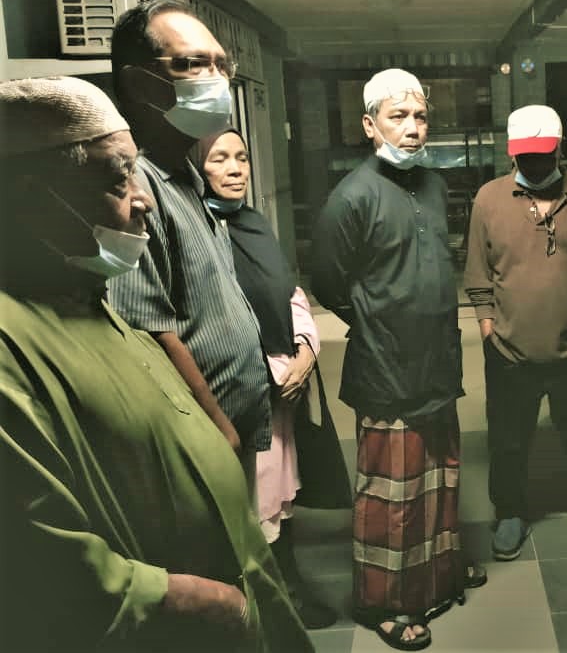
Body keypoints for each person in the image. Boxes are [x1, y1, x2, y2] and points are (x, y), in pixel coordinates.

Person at [0, 75, 312, 653]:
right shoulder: (12, 341)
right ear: (32, 194)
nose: (141, 198)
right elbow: (39, 561)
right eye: (116, 177)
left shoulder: (87, 297)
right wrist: (206, 602)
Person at [311, 68, 485, 651]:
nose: (413, 128)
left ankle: (438, 575)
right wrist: (378, 322)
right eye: (398, 117)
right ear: (370, 125)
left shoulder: (432, 185)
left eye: (420, 117)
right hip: (386, 367)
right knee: (392, 496)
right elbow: (328, 281)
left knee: (439, 477)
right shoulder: (352, 196)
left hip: (437, 360)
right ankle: (381, 602)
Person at [192, 128, 352, 629]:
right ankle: (263, 605)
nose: (235, 168)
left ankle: (286, 589)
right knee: (250, 497)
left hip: (283, 387)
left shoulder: (254, 224)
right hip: (235, 390)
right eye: (220, 159)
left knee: (278, 493)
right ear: (197, 168)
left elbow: (289, 292)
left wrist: (305, 350)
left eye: (241, 157)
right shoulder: (196, 232)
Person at [107, 0, 271, 477]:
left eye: (221, 65)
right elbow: (147, 333)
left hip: (227, 432)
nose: (216, 80)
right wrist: (219, 430)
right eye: (193, 64)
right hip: (198, 441)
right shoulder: (134, 187)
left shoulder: (188, 179)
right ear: (139, 82)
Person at [463, 104, 567, 566]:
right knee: (508, 440)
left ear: (560, 148)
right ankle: (510, 512)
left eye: (543, 153)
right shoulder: (489, 198)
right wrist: (488, 325)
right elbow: (478, 270)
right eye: (525, 155)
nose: (533, 163)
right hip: (509, 350)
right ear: (511, 153)